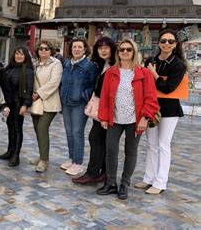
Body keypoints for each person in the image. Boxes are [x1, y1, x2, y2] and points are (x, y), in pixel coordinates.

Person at [97, 39, 159, 200]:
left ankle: (124, 184)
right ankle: (111, 183)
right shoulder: (111, 72)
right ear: (118, 53)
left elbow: (151, 98)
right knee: (110, 151)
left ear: (134, 52)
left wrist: (145, 118)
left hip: (135, 120)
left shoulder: (143, 73)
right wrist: (103, 116)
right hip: (114, 119)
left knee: (131, 152)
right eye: (121, 50)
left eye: (128, 49)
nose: (125, 52)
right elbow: (104, 97)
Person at [134, 29, 187, 195]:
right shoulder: (151, 60)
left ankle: (160, 182)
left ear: (175, 44)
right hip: (151, 108)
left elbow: (168, 88)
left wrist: (155, 75)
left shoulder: (178, 64)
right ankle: (148, 178)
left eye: (170, 41)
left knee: (163, 144)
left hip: (169, 110)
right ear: (159, 42)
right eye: (164, 40)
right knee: (151, 144)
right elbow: (144, 84)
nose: (166, 44)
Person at [73, 36, 117, 184]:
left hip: (108, 109)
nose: (103, 51)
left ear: (112, 49)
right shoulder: (100, 65)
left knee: (96, 138)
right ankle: (103, 172)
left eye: (106, 47)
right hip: (100, 107)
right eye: (100, 48)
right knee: (102, 141)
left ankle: (93, 174)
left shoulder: (115, 66)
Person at [59, 37, 97, 175]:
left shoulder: (89, 66)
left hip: (79, 104)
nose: (77, 49)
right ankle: (72, 158)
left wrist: (84, 95)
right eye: (74, 47)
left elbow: (94, 85)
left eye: (80, 47)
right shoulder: (67, 63)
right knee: (69, 133)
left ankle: (78, 162)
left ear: (85, 49)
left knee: (77, 133)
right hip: (66, 102)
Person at [29, 40, 63, 173]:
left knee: (42, 128)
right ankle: (42, 155)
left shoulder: (56, 63)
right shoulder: (34, 63)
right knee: (37, 130)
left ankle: (44, 160)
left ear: (51, 51)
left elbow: (54, 82)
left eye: (47, 48)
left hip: (49, 102)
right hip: (35, 102)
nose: (43, 50)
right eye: (41, 48)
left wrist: (39, 93)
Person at [0, 46, 34, 167]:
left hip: (19, 103)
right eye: (17, 54)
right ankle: (10, 151)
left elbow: (29, 89)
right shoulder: (9, 68)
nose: (19, 56)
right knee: (10, 127)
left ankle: (16, 155)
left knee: (17, 128)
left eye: (21, 54)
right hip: (9, 103)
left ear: (25, 57)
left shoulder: (28, 70)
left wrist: (25, 105)